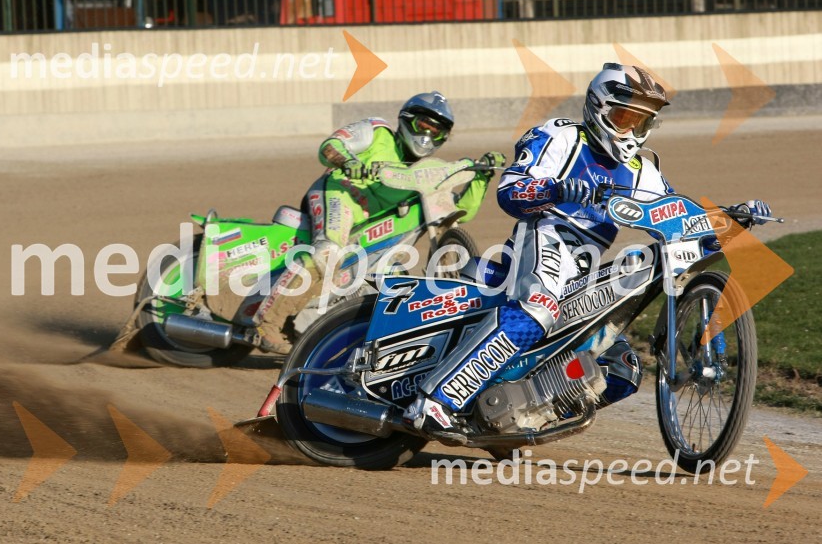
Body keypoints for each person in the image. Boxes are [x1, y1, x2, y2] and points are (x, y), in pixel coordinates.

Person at [404, 63, 771, 438]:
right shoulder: (561, 136)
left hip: (584, 270)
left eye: (642, 123)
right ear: (599, 108)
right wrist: (556, 190)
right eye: (624, 118)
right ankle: (434, 401)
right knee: (539, 307)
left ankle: (519, 415)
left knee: (622, 370)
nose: (631, 132)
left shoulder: (642, 171)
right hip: (546, 234)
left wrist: (731, 221)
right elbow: (510, 190)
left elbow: (678, 225)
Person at [260, 91, 504, 353]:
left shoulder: (423, 174)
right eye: (423, 125)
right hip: (341, 193)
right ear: (406, 119)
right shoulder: (376, 131)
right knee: (328, 251)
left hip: (369, 219)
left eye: (436, 131)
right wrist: (349, 161)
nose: (427, 135)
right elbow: (330, 146)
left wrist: (482, 177)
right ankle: (267, 324)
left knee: (393, 276)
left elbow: (458, 212)